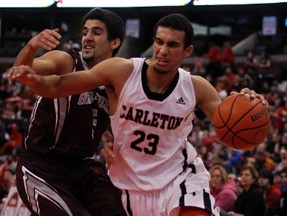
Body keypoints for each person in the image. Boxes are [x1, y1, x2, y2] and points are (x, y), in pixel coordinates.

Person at [8, 13, 268, 216]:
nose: (163, 50)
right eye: (159, 42)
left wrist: (248, 102)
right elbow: (54, 84)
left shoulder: (196, 86)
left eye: (172, 45)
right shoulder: (114, 70)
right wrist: (32, 79)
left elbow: (228, 122)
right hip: (115, 180)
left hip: (176, 178)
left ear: (187, 51)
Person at [10, 8, 126, 216]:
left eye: (96, 32)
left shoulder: (117, 83)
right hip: (41, 167)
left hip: (81, 169)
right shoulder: (67, 61)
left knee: (124, 208)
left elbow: (124, 124)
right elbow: (23, 68)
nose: (87, 38)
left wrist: (112, 142)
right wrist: (32, 46)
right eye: (85, 32)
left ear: (114, 43)